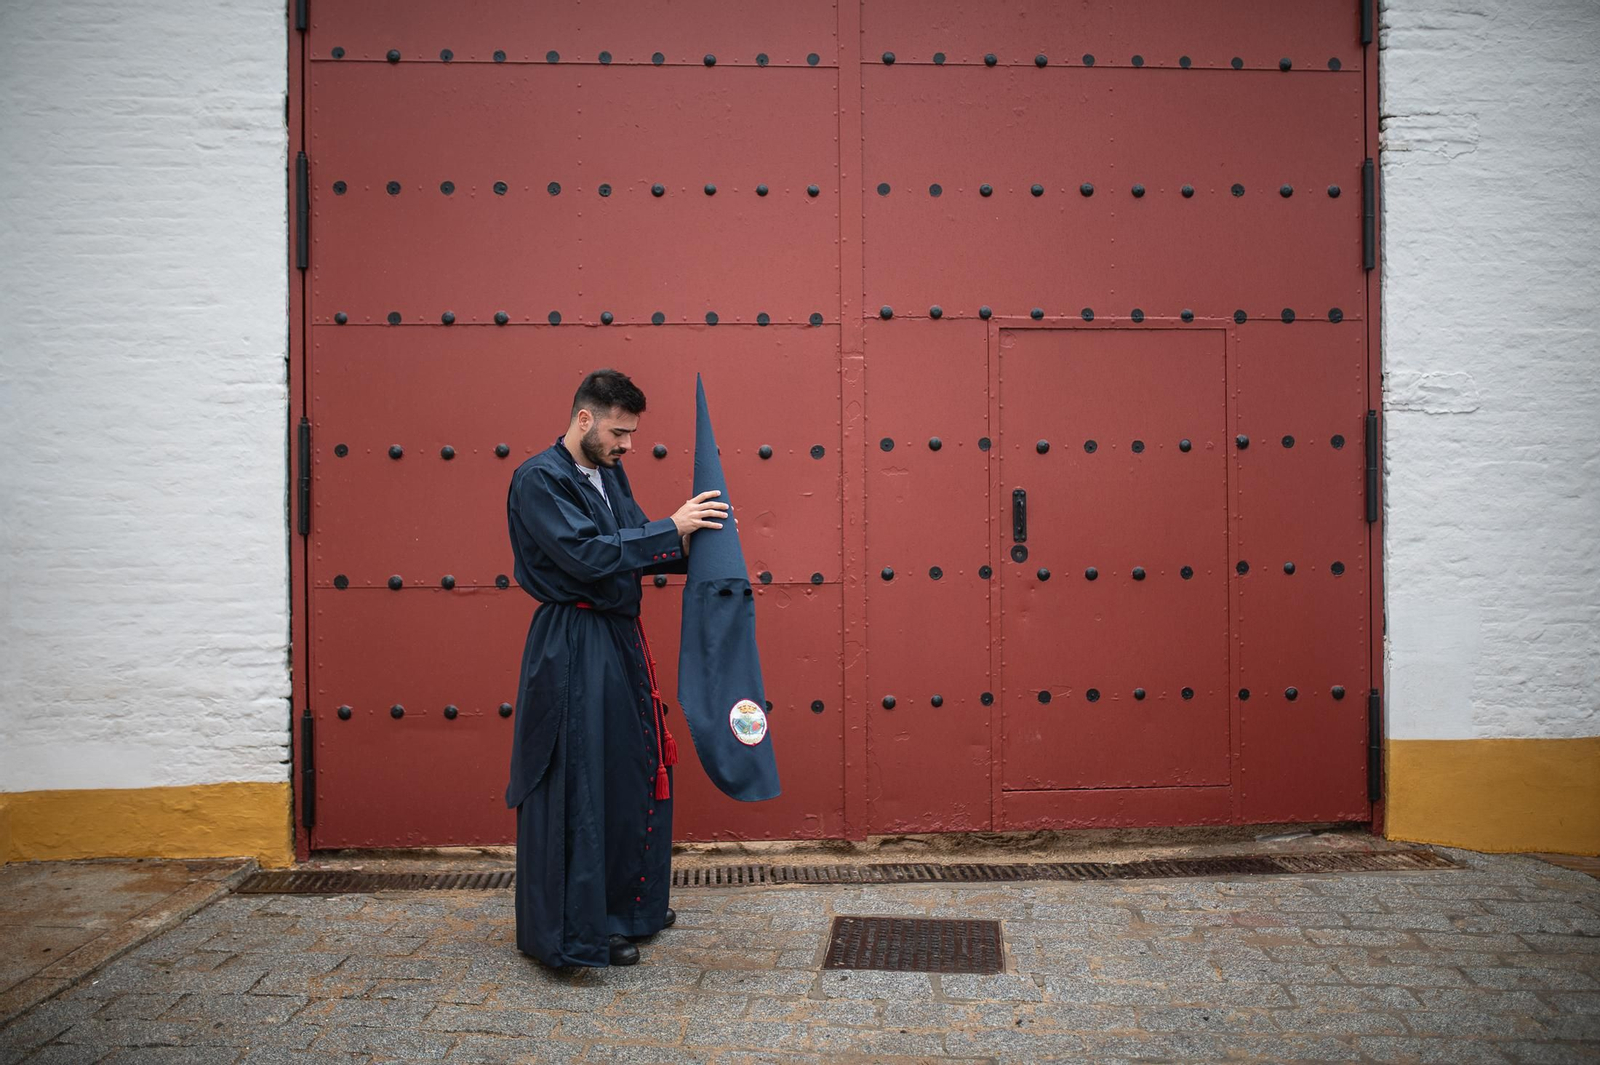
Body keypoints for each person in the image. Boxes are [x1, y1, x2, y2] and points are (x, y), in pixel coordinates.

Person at [503, 368, 729, 967]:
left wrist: (701, 547)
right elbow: (585, 555)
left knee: (628, 771)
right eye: (619, 432)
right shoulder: (537, 480)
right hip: (573, 643)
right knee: (582, 778)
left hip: (617, 641)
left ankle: (630, 910)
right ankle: (580, 932)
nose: (628, 445)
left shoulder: (607, 474)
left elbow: (632, 539)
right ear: (585, 419)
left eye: (630, 434)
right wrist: (668, 531)